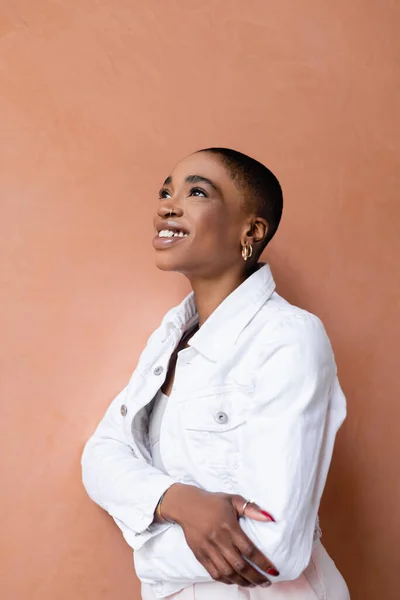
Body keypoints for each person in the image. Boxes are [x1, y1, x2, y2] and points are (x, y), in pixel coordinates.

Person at [81, 148, 350, 599]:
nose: (167, 204)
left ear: (251, 230)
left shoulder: (289, 338)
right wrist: (177, 501)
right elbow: (100, 456)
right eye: (167, 190)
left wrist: (146, 554)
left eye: (197, 191)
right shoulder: (170, 338)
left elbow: (274, 550)